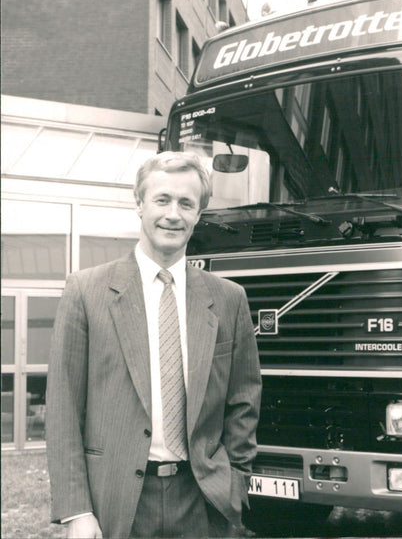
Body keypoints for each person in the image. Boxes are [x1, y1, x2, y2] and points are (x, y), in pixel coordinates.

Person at [46, 152, 262, 538]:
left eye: (186, 203)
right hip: (116, 502)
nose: (173, 214)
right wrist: (77, 510)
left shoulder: (229, 299)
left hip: (203, 501)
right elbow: (63, 409)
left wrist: (235, 481)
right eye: (162, 200)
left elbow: (244, 400)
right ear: (139, 204)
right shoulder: (86, 291)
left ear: (199, 214)